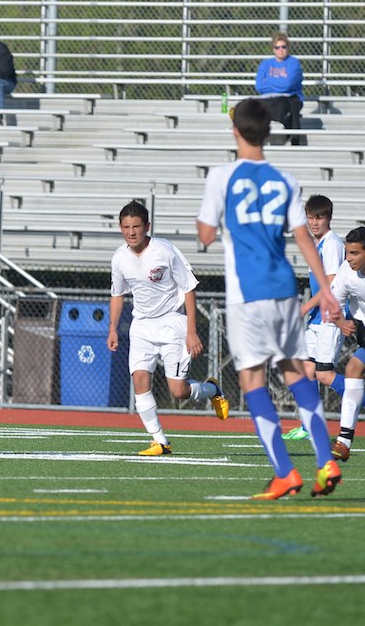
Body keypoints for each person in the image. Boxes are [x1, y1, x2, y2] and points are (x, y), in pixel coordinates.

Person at [196, 98, 342, 500]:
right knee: (297, 375)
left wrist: (211, 225)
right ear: (270, 132)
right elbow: (302, 239)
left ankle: (284, 472)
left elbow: (206, 235)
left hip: (249, 295)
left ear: (235, 131)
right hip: (284, 290)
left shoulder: (222, 176)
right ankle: (325, 461)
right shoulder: (285, 179)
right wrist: (327, 289)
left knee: (252, 381)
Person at [107, 200, 229, 457]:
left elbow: (189, 288)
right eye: (126, 227)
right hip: (141, 326)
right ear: (120, 228)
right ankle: (160, 441)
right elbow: (117, 295)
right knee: (139, 380)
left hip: (172, 323)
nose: (132, 232)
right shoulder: (119, 258)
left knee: (179, 391)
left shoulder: (164, 250)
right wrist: (113, 329)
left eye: (137, 226)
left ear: (147, 226)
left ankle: (212, 389)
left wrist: (192, 331)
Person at [284, 194, 347, 440]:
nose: (314, 222)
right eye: (310, 217)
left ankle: (358, 394)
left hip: (330, 318)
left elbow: (330, 285)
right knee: (305, 369)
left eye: (319, 217)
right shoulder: (317, 244)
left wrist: (303, 307)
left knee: (323, 373)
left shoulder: (332, 243)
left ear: (328, 218)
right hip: (317, 318)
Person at [328, 227, 365, 463]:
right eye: (347, 253)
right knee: (353, 369)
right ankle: (344, 442)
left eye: (354, 253)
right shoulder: (346, 272)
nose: (349, 258)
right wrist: (341, 321)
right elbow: (333, 303)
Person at [255, 31, 304, 145]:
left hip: (290, 98)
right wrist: (281, 82)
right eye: (277, 47)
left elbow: (288, 84)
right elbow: (259, 86)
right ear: (273, 49)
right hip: (269, 98)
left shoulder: (294, 63)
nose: (280, 50)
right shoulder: (266, 64)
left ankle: (288, 138)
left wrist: (268, 81)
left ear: (288, 47)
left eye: (283, 47)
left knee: (283, 104)